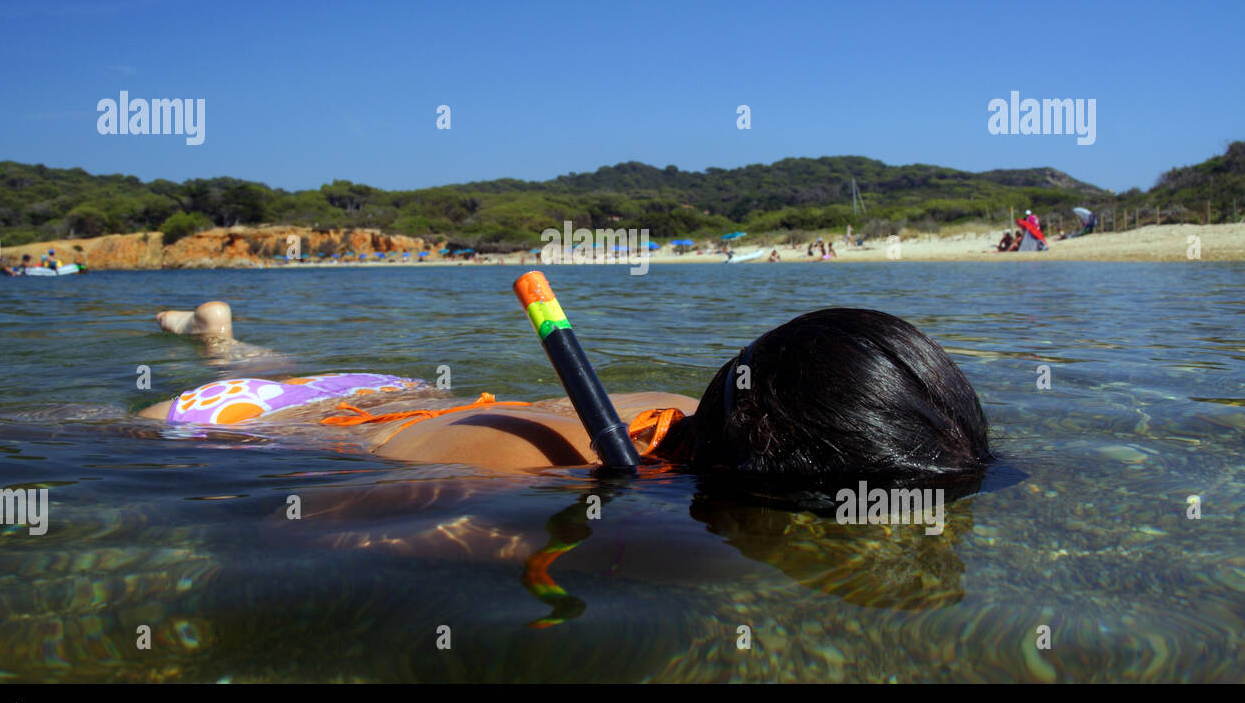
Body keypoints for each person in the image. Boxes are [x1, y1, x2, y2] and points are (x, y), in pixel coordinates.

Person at [139, 301, 994, 485]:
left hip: (385, 393)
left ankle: (214, 335)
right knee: (51, 428)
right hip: (255, 428)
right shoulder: (544, 478)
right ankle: (215, 343)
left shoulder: (687, 408)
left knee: (247, 357)